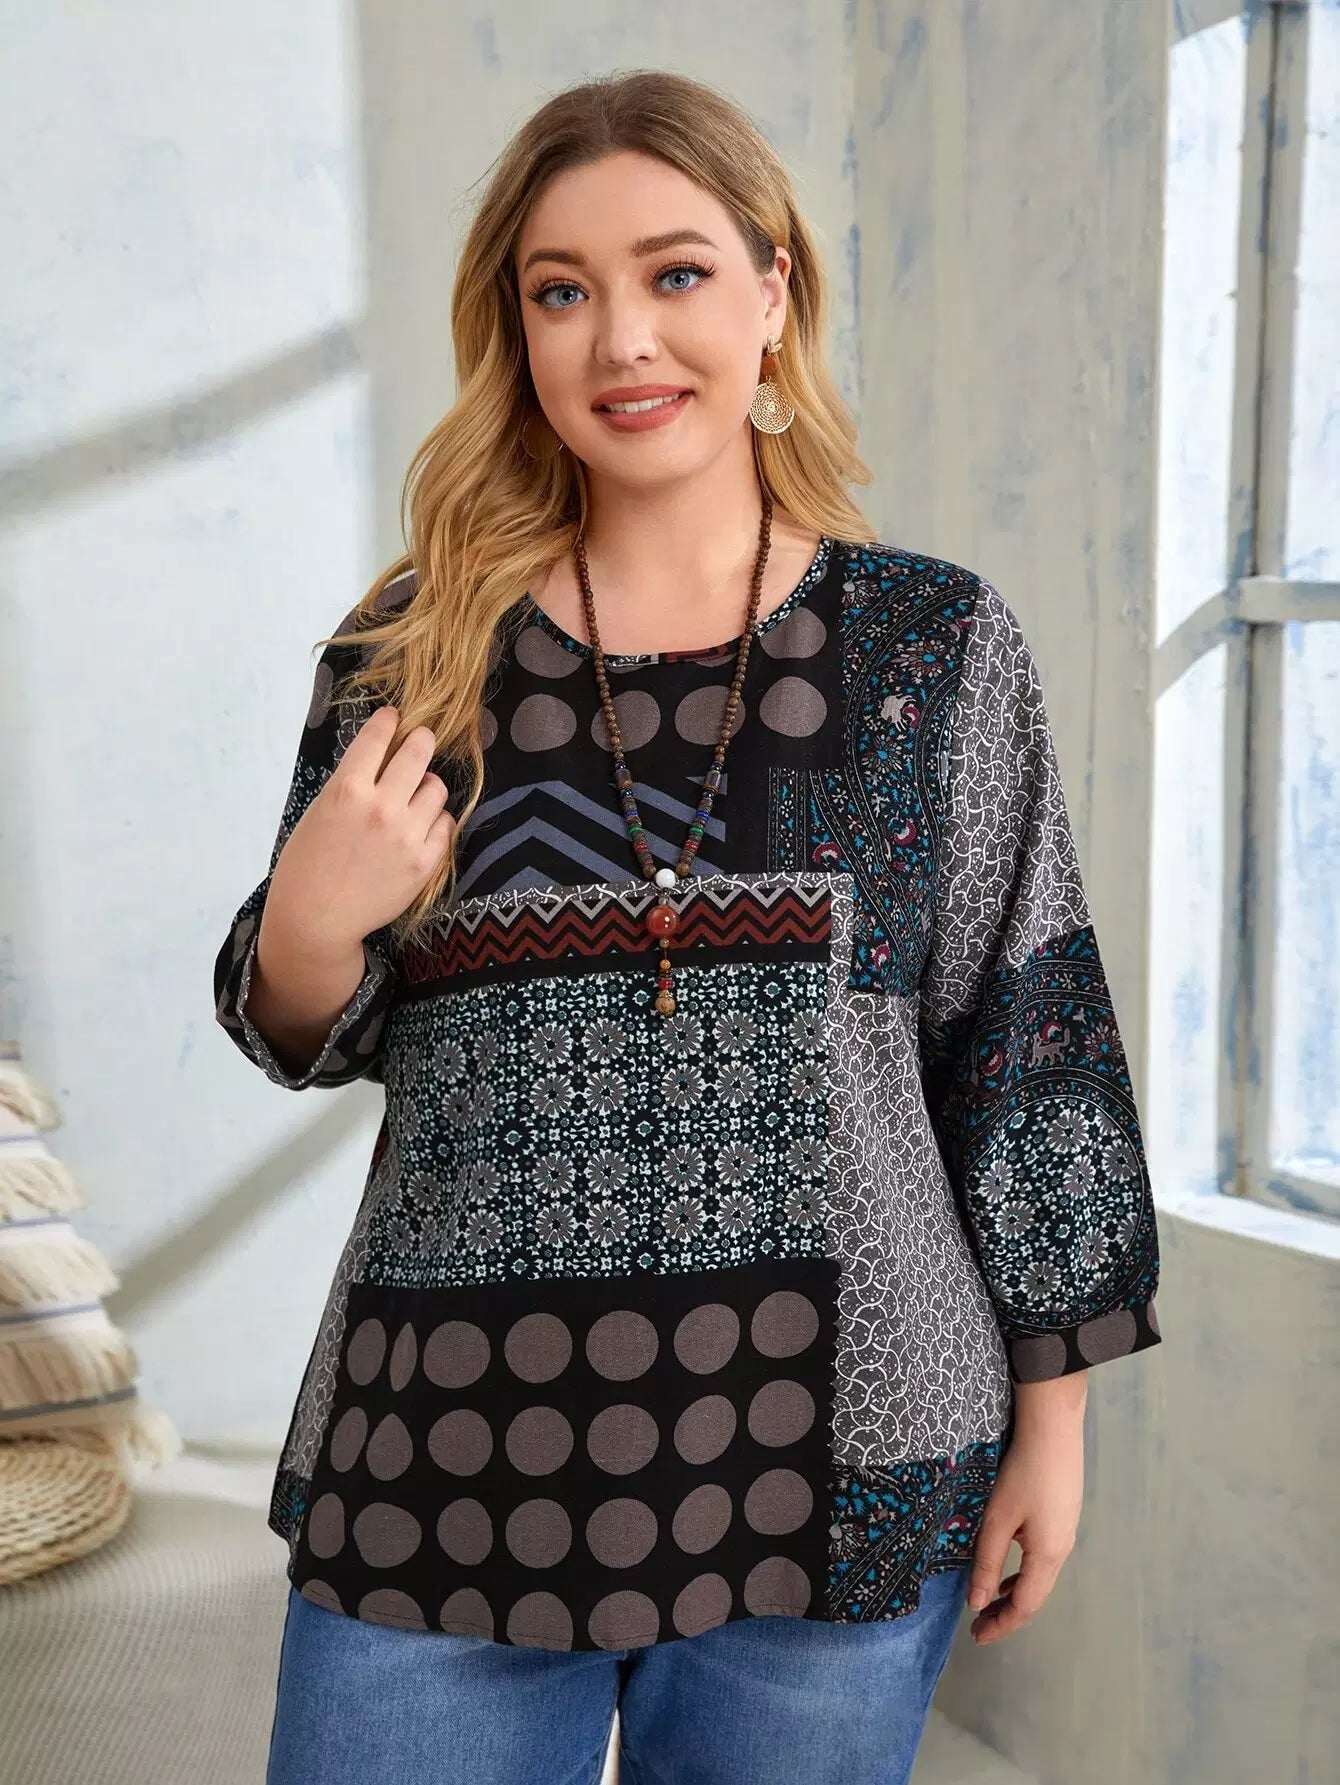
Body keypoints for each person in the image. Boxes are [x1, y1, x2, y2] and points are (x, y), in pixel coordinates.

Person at [213, 68, 1163, 1785]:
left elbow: (1028, 1046)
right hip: (451, 1450)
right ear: (514, 329)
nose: (623, 340)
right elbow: (302, 1022)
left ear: (774, 290)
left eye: (676, 273)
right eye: (561, 291)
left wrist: (1056, 1422)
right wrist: (308, 921)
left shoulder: (927, 649)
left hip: (849, 1457)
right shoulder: (413, 654)